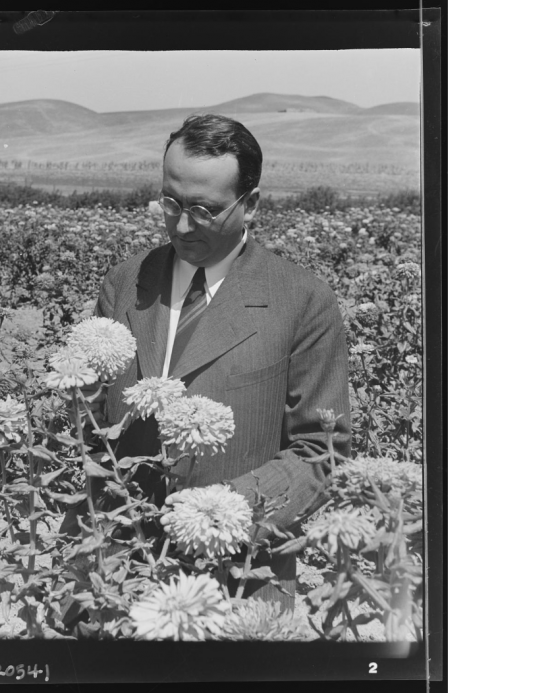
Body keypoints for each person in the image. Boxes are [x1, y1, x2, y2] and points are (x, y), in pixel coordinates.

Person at [60, 113, 350, 618]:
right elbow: (89, 428)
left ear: (251, 205)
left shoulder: (302, 301)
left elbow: (321, 453)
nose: (183, 224)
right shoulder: (125, 283)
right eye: (170, 203)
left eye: (204, 209)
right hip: (118, 572)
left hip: (238, 580)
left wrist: (217, 516)